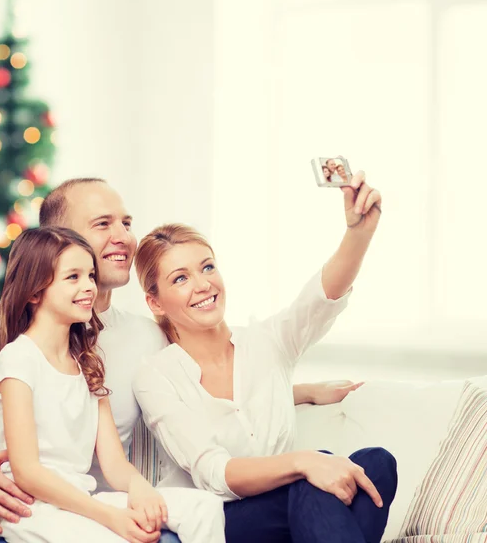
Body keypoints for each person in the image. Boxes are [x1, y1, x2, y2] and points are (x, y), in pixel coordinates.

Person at [0, 178, 363, 543]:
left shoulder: (147, 337)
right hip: (14, 517)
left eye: (126, 222)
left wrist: (298, 392)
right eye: (102, 225)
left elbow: (211, 379)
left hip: (100, 512)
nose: (123, 237)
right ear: (58, 239)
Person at [132, 172, 397, 543]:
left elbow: (319, 302)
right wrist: (304, 461)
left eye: (207, 266)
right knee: (314, 474)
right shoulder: (156, 376)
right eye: (180, 278)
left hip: (294, 510)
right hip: (220, 521)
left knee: (376, 462)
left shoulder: (266, 343)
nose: (203, 284)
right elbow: (215, 472)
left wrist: (359, 233)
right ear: (155, 302)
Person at [0, 225, 225, 543]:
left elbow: (114, 463)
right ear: (35, 291)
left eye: (91, 276)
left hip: (82, 501)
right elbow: (27, 472)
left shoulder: (86, 363)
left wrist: (139, 489)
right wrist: (111, 518)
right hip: (33, 511)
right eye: (73, 277)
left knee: (204, 507)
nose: (89, 287)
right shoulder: (18, 359)